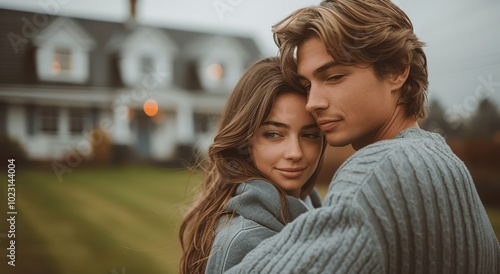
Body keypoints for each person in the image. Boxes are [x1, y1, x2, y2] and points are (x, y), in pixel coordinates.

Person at [226, 0, 500, 273]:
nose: (312, 102)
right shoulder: (445, 161)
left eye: (333, 77)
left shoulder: (378, 172)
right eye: (308, 85)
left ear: (397, 70)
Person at [178, 57, 327, 274]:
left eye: (310, 135)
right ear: (244, 141)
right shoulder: (247, 241)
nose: (295, 153)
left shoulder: (313, 207)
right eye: (273, 134)